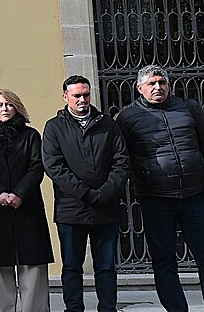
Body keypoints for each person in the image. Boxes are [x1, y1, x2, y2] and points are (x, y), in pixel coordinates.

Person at [116, 65, 204, 312]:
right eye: (151, 84)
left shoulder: (189, 108)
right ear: (140, 88)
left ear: (169, 85)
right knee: (164, 262)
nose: (158, 87)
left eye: (162, 82)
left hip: (195, 194)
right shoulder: (127, 117)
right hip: (155, 198)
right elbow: (122, 156)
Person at [41, 75, 129, 312]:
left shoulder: (108, 125)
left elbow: (121, 162)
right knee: (71, 266)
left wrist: (105, 192)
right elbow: (54, 167)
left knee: (106, 267)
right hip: (71, 210)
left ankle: (108, 309)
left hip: (106, 207)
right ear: (65, 97)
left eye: (86, 94)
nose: (82, 99)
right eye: (77, 95)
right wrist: (87, 194)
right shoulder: (54, 127)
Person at [0, 89, 53, 312]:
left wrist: (19, 193)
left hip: (27, 209)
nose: (5, 109)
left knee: (33, 269)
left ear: (17, 107)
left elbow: (36, 167)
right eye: (0, 105)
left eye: (9, 104)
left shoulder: (31, 136)